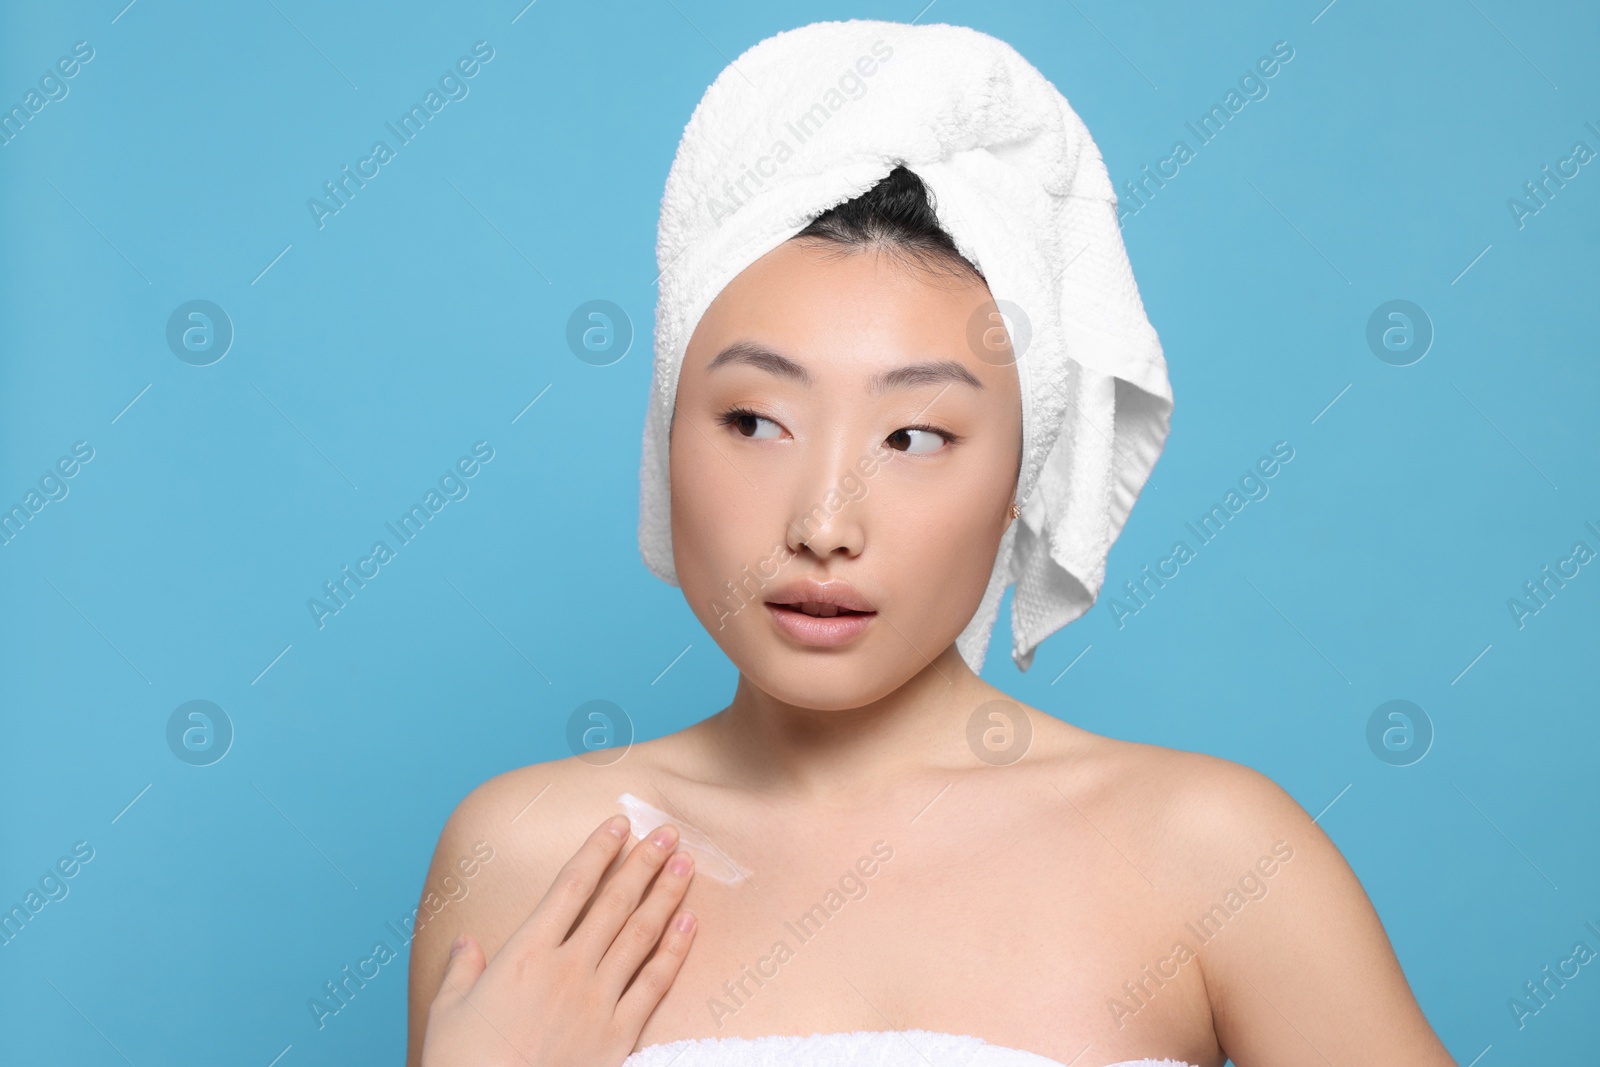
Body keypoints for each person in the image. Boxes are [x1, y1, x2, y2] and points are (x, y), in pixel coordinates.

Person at [407, 20, 1456, 1067]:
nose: (823, 524)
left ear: (1018, 476)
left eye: (914, 436)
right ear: (663, 438)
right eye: (754, 420)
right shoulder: (530, 854)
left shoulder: (1213, 853)